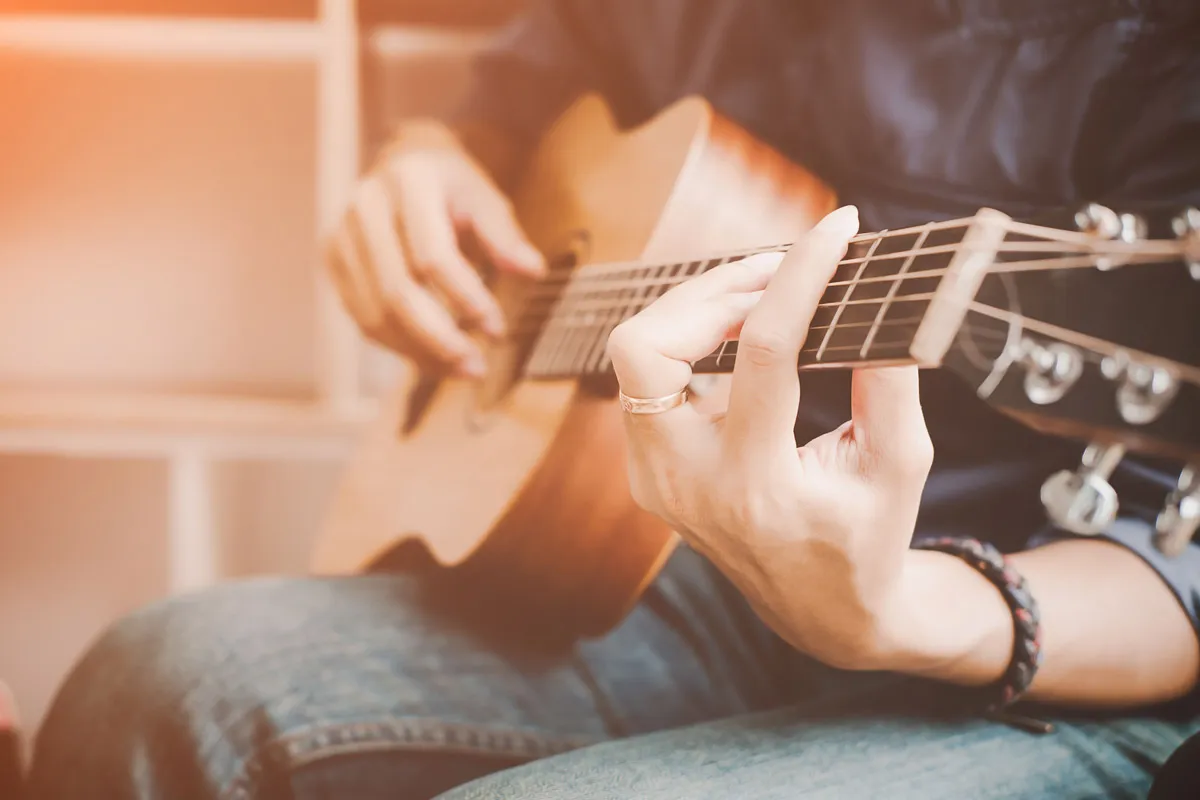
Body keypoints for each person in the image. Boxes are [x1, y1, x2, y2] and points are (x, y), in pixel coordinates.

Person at [27, 1, 1200, 798]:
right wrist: (436, 152)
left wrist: (897, 610)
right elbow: (550, 64)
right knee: (152, 683)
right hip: (668, 561)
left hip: (1046, 642)